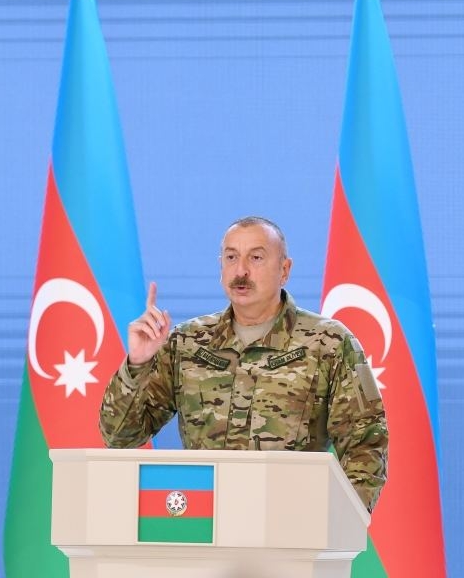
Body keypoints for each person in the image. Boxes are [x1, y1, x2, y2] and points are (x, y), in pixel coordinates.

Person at [99, 216, 388, 512]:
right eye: (231, 257)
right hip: (204, 522)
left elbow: (365, 444)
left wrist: (337, 521)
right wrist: (137, 364)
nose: (241, 271)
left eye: (256, 257)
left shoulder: (327, 342)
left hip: (290, 524)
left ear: (284, 270)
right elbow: (120, 437)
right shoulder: (187, 342)